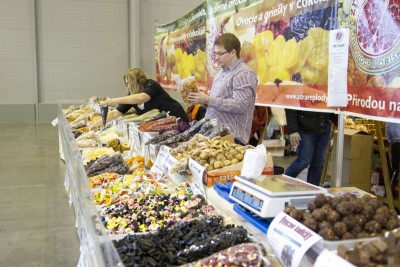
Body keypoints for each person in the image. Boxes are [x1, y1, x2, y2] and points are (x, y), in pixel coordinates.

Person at [188, 33, 258, 145]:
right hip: (213, 133)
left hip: (232, 138)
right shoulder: (220, 73)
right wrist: (201, 100)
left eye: (220, 54)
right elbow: (217, 103)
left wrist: (208, 100)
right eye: (215, 53)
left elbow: (240, 106)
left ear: (233, 53)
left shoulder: (244, 73)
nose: (216, 58)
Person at [92, 68, 188, 129]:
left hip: (176, 119)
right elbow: (115, 113)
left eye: (128, 83)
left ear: (135, 82)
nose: (127, 86)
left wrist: (114, 101)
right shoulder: (132, 95)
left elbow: (142, 98)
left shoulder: (151, 85)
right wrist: (98, 123)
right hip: (161, 125)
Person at [284, 109, 335, 186]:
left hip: (324, 125)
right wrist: (293, 130)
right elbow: (290, 106)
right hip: (305, 127)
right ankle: (283, 183)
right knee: (303, 161)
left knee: (318, 162)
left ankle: (313, 192)